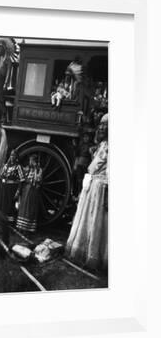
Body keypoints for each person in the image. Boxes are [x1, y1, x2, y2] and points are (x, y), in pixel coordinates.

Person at [65, 114, 108, 271]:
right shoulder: (102, 144)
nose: (102, 127)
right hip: (92, 184)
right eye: (101, 125)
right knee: (87, 220)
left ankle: (93, 255)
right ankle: (83, 250)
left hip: (100, 186)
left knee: (96, 221)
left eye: (106, 125)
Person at [15, 154, 43, 233]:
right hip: (26, 190)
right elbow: (22, 177)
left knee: (30, 208)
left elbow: (39, 180)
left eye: (32, 161)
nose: (30, 162)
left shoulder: (39, 170)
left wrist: (34, 179)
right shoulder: (27, 169)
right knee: (23, 207)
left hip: (33, 191)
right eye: (30, 160)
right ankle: (21, 227)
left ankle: (28, 228)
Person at [0, 150, 25, 224]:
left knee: (10, 205)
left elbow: (22, 180)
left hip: (12, 189)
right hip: (4, 187)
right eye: (11, 155)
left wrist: (18, 192)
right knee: (2, 203)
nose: (12, 157)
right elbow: (1, 176)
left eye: (14, 155)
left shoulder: (18, 167)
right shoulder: (6, 166)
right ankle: (1, 219)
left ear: (16, 157)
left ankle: (9, 222)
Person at [72, 132, 93, 197]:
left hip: (86, 165)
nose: (86, 138)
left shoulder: (90, 146)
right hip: (80, 164)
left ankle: (83, 194)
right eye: (85, 137)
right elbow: (77, 155)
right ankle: (78, 193)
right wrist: (75, 164)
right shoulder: (81, 146)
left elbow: (91, 157)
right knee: (79, 180)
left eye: (87, 137)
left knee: (85, 180)